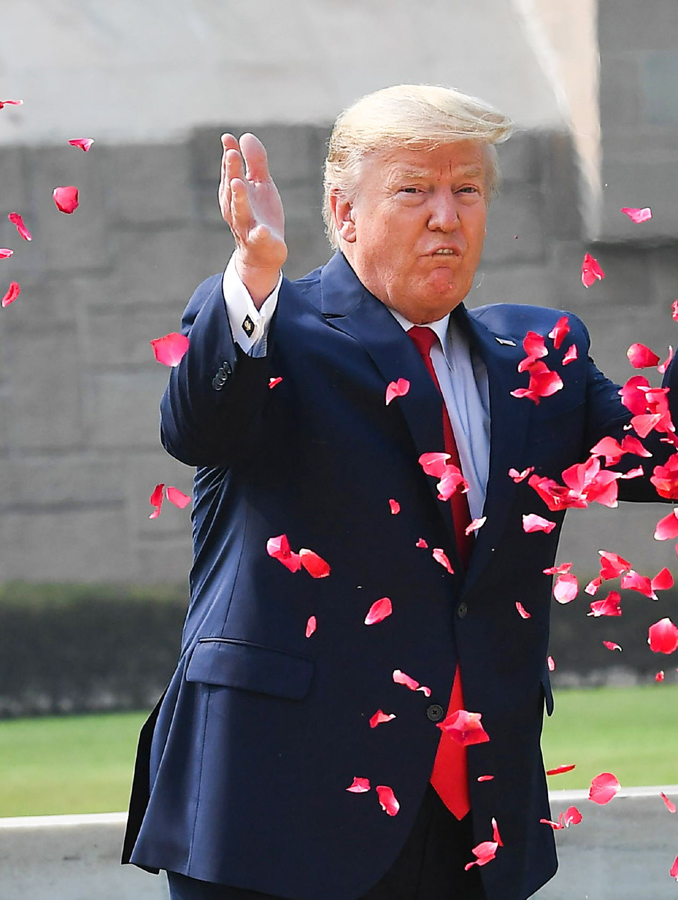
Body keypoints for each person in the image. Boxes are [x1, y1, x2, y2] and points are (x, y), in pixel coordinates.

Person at [123, 85, 673, 900]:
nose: (445, 217)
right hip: (275, 807)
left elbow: (661, 455)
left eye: (467, 190)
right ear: (343, 214)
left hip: (471, 816)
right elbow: (198, 427)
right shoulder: (271, 324)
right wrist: (254, 273)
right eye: (414, 190)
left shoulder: (542, 354)